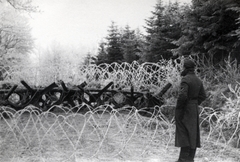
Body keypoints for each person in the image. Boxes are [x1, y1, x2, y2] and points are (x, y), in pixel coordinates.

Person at [175, 59, 207, 162]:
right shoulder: (198, 80)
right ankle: (190, 158)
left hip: (185, 109)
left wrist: (179, 108)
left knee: (183, 132)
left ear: (185, 68)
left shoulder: (185, 80)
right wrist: (195, 103)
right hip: (194, 108)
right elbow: (203, 96)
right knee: (193, 133)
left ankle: (183, 159)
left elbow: (182, 96)